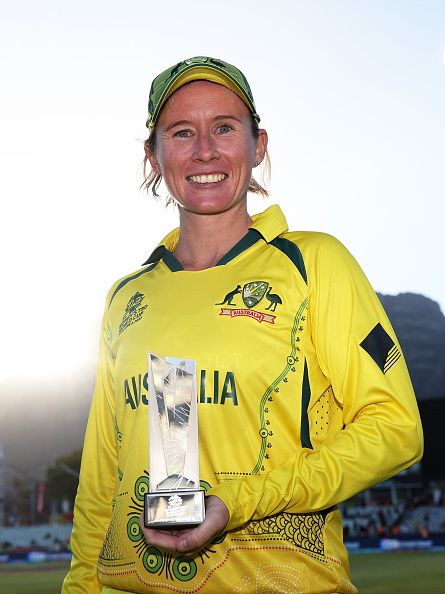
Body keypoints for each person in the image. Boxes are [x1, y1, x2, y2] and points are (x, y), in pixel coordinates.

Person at [62, 56, 423, 594]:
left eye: (225, 128)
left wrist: (240, 500)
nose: (205, 150)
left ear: (259, 145)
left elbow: (397, 430)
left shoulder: (312, 264)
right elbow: (100, 482)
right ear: (153, 156)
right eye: (181, 132)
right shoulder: (126, 297)